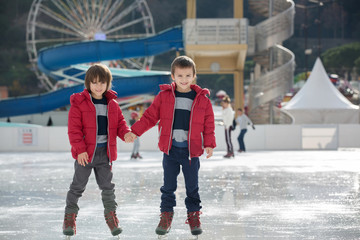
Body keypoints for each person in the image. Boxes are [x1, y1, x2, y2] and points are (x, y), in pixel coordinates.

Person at [128, 55, 216, 237]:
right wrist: (135, 131)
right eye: (180, 76)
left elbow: (209, 124)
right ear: (173, 77)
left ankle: (193, 217)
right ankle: (166, 216)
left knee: (193, 187)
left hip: (191, 152)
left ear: (194, 76)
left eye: (188, 75)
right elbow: (150, 117)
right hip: (170, 150)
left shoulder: (202, 100)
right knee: (168, 186)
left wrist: (209, 144)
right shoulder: (165, 96)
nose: (184, 80)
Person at [63, 64, 134, 238]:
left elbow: (120, 125)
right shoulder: (79, 103)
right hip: (85, 154)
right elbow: (74, 129)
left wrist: (126, 134)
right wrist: (80, 150)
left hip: (105, 154)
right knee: (77, 186)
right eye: (94, 82)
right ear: (88, 83)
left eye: (102, 82)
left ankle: (111, 217)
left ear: (108, 83)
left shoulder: (113, 104)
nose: (98, 86)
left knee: (107, 186)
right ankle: (69, 218)